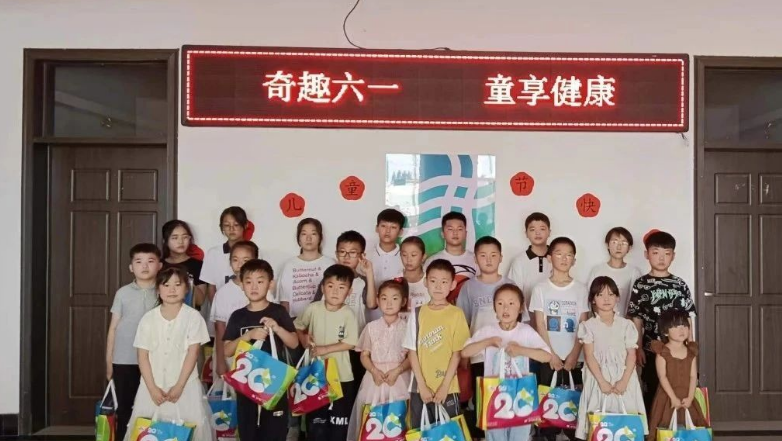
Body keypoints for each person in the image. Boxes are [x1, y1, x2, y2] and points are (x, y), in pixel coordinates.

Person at [123, 266, 214, 441]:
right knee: (148, 431)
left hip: (185, 387)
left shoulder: (193, 317)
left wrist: (179, 386)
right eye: (166, 285)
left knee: (188, 430)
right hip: (152, 387)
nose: (172, 289)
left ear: (186, 289)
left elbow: (193, 352)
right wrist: (152, 388)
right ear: (158, 289)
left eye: (177, 285)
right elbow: (142, 356)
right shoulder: (148, 319)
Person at [462, 283, 552, 441]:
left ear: (520, 308)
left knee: (520, 436)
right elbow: (465, 352)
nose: (505, 308)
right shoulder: (488, 331)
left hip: (521, 395)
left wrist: (521, 350)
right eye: (500, 303)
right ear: (494, 307)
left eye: (511, 303)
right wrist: (488, 342)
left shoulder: (525, 331)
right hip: (494, 395)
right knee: (495, 436)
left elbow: (547, 356)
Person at [223, 259, 299, 441]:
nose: (254, 287)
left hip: (274, 383)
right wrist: (248, 336)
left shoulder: (278, 311)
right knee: (248, 432)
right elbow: (227, 350)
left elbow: (294, 343)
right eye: (249, 282)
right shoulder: (238, 316)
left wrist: (277, 328)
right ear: (241, 285)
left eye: (260, 281)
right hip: (246, 384)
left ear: (270, 284)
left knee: (274, 432)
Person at [627, 231, 696, 410]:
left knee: (680, 388)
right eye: (656, 252)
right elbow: (636, 319)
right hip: (652, 349)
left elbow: (688, 317)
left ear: (673, 256)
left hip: (679, 350)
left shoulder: (679, 284)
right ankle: (654, 425)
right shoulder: (641, 284)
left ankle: (676, 426)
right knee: (653, 389)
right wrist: (638, 347)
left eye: (667, 253)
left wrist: (691, 345)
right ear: (646, 254)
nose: (661, 258)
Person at [529, 237, 589, 441]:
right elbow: (540, 324)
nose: (564, 258)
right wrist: (551, 355)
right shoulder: (540, 288)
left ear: (574, 260)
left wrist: (574, 355)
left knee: (573, 408)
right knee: (549, 408)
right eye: (559, 253)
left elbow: (583, 324)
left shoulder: (581, 289)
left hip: (575, 358)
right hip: (548, 357)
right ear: (549, 257)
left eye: (569, 255)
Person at [575, 276, 647, 440]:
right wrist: (602, 382)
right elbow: (589, 356)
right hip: (598, 379)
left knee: (626, 425)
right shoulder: (588, 326)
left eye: (610, 294)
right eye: (600, 295)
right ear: (593, 299)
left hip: (624, 378)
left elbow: (631, 355)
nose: (606, 299)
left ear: (617, 297)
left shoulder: (626, 325)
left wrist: (624, 381)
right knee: (599, 424)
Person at [456, 236, 514, 440]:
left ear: (501, 258)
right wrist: (464, 355)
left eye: (493, 255)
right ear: (475, 259)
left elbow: (520, 320)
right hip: (479, 356)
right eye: (483, 255)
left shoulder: (509, 285)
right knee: (483, 400)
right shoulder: (468, 287)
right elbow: (463, 323)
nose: (488, 260)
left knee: (506, 399)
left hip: (507, 356)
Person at [295, 264, 360, 441]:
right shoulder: (313, 308)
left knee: (339, 422)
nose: (335, 291)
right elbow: (298, 327)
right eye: (330, 286)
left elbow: (351, 342)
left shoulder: (348, 314)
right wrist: (304, 339)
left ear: (349, 291)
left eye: (341, 287)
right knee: (316, 423)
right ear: (322, 287)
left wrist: (325, 349)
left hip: (342, 376)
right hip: (316, 375)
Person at [403, 259, 470, 429]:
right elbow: (412, 352)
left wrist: (444, 386)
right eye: (433, 281)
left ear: (453, 284)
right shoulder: (417, 313)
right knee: (420, 433)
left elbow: (457, 354)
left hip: (448, 388)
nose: (438, 286)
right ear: (425, 282)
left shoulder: (456, 314)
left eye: (444, 282)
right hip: (419, 388)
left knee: (448, 433)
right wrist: (422, 386)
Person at [106, 243, 162, 441]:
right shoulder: (123, 293)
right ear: (131, 267)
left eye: (150, 261)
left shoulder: (164, 291)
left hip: (155, 360)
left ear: (160, 265)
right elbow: (113, 328)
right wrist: (109, 362)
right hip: (125, 359)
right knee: (125, 407)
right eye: (139, 262)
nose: (144, 266)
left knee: (153, 406)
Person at [347, 278, 411, 441]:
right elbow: (364, 355)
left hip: (399, 378)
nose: (389, 303)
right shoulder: (371, 327)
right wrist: (374, 371)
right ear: (377, 300)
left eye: (394, 298)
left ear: (403, 301)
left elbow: (412, 357)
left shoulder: (407, 327)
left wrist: (397, 370)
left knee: (398, 421)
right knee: (372, 419)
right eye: (384, 298)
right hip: (374, 379)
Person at [313, 230, 376, 382]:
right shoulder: (327, 281)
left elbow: (372, 304)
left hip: (354, 345)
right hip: (327, 343)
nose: (346, 257)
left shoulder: (362, 282)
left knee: (352, 385)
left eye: (352, 253)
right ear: (336, 254)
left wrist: (369, 273)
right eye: (342, 252)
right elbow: (316, 307)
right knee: (326, 386)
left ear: (362, 255)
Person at [646, 311, 707, 441]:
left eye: (684, 326)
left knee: (691, 429)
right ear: (665, 332)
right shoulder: (662, 351)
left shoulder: (691, 351)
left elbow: (693, 376)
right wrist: (673, 398)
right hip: (667, 398)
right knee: (665, 429)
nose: (682, 329)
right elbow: (662, 377)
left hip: (687, 396)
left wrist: (690, 397)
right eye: (676, 326)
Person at [210, 241, 259, 378]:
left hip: (258, 355)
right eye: (235, 260)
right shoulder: (223, 293)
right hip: (230, 354)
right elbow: (219, 329)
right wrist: (221, 361)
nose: (240, 264)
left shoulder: (262, 290)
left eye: (245, 260)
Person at [202, 206, 251, 337]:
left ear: (245, 225)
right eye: (227, 225)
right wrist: (217, 312)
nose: (231, 229)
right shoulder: (213, 253)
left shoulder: (253, 252)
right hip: (222, 314)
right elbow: (211, 287)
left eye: (236, 225)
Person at [277, 217, 335, 318]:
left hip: (324, 320)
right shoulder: (289, 265)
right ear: (298, 239)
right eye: (304, 234)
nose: (308, 238)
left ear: (320, 238)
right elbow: (284, 301)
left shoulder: (330, 264)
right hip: (295, 321)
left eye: (313, 234)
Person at [424, 211, 479, 304]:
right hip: (440, 311)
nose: (455, 233)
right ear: (442, 234)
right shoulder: (432, 261)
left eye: (459, 229)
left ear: (466, 234)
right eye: (450, 229)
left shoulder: (476, 259)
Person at [586, 227, 642, 317]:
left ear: (629, 247)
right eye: (614, 242)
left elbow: (636, 303)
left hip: (624, 323)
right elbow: (589, 299)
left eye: (624, 243)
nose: (619, 247)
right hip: (598, 322)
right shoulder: (597, 270)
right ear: (607, 245)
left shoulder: (634, 272)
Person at [507, 212, 553, 319]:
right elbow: (514, 294)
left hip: (553, 318)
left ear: (549, 232)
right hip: (526, 322)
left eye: (542, 229)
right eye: (532, 229)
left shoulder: (557, 258)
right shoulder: (519, 261)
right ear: (526, 233)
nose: (537, 233)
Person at [365, 208, 406, 322]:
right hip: (370, 319)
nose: (387, 231)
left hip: (399, 321)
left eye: (393, 227)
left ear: (400, 231)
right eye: (383, 226)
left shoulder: (406, 257)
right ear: (376, 228)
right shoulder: (366, 257)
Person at [161, 220, 206, 309]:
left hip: (189, 314)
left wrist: (186, 281)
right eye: (175, 238)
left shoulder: (198, 265)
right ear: (165, 241)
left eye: (185, 237)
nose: (180, 242)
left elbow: (200, 301)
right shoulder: (159, 265)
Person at [400, 236, 430, 321]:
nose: (408, 259)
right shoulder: (394, 281)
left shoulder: (431, 281)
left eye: (413, 255)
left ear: (423, 257)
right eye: (404, 255)